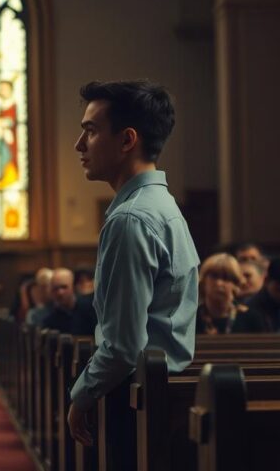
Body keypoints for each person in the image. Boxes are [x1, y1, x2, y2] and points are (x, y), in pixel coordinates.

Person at [66, 80, 199, 470]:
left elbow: (123, 345)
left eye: (90, 131)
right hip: (158, 390)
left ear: (127, 140)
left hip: (133, 398)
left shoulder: (131, 219)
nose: (79, 144)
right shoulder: (162, 205)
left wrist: (81, 395)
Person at [195, 254, 249, 335]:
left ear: (236, 284)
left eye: (226, 278)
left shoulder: (250, 319)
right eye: (214, 276)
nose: (219, 283)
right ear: (203, 282)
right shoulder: (191, 318)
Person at [41, 268, 97, 335]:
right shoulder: (49, 320)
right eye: (55, 288)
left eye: (64, 287)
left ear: (73, 287)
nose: (60, 292)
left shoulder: (91, 311)